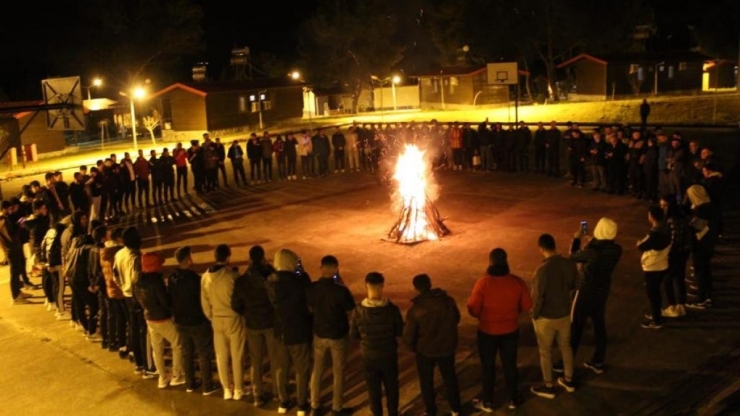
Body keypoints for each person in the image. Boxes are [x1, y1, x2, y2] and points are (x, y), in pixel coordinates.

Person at [562, 218, 622, 375]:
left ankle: (566, 362)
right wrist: (591, 239)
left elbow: (573, 256)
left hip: (585, 291)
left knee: (575, 326)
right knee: (599, 325)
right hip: (601, 291)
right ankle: (598, 360)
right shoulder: (616, 250)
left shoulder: (592, 250)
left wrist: (577, 238)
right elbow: (602, 249)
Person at [404, 274, 461, 416]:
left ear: (416, 288)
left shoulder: (416, 309)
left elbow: (409, 334)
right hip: (447, 348)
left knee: (427, 382)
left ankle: (431, 411)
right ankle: (456, 408)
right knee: (450, 378)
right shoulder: (448, 301)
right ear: (430, 284)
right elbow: (456, 318)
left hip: (425, 350)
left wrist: (412, 347)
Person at [306, 255, 356, 415]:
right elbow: (350, 310)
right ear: (336, 270)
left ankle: (314, 404)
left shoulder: (312, 288)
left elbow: (309, 308)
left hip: (319, 333)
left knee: (317, 369)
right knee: (338, 372)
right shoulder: (341, 291)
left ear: (321, 268)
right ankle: (337, 407)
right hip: (337, 335)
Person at [231, 245, 280, 407]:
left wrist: (246, 313)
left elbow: (236, 305)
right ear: (263, 258)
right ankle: (278, 392)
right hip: (270, 322)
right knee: (275, 358)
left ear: (250, 259)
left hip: (252, 324)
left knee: (255, 360)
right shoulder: (270, 276)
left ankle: (257, 395)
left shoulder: (242, 281)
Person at [530, 234, 578, 399]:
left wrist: (534, 315)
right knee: (566, 346)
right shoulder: (568, 264)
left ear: (541, 249)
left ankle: (548, 385)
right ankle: (569, 380)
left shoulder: (542, 271)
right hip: (564, 314)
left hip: (546, 317)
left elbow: (537, 297)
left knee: (545, 351)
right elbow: (575, 285)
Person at [266, 248, 313, 414]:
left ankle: (284, 401)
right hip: (299, 330)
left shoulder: (271, 283)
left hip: (280, 331)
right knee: (301, 369)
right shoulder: (300, 281)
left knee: (281, 368)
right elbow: (310, 300)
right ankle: (302, 404)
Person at [351, 272, 404, 416]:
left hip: (369, 356)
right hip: (388, 354)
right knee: (392, 387)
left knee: (373, 389)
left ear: (366, 286)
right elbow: (400, 331)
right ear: (381, 286)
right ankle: (393, 413)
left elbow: (354, 335)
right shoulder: (392, 310)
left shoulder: (359, 311)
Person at [168, 246, 219, 395]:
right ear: (189, 259)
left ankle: (190, 383)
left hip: (180, 322)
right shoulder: (195, 279)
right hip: (197, 321)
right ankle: (207, 385)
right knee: (203, 354)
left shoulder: (172, 278)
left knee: (187, 353)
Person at [200, 244, 246, 401]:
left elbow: (205, 303)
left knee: (221, 356)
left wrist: (211, 317)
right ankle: (239, 389)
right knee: (237, 355)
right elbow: (240, 298)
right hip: (232, 318)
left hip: (216, 319)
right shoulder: (231, 276)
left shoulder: (205, 277)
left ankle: (226, 388)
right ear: (228, 257)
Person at [135, 251, 185, 389]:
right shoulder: (156, 282)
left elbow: (138, 299)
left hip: (149, 318)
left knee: (157, 348)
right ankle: (177, 374)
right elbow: (164, 301)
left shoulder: (139, 281)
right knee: (177, 342)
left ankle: (162, 377)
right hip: (162, 318)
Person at [112, 226, 148, 373]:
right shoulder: (136, 256)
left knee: (133, 326)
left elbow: (115, 274)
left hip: (127, 294)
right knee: (142, 329)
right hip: (136, 295)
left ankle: (138, 361)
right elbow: (136, 278)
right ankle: (145, 362)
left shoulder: (119, 254)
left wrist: (122, 287)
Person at [636, 205, 672, 329]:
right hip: (663, 264)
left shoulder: (655, 234)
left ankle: (656, 320)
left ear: (651, 216)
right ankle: (656, 314)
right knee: (655, 292)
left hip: (653, 266)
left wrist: (640, 242)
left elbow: (641, 246)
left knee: (653, 294)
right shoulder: (666, 229)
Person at [685, 185, 718, 310]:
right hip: (708, 245)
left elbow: (698, 228)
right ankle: (707, 296)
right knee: (706, 271)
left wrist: (690, 219)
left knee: (701, 272)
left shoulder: (701, 211)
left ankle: (701, 299)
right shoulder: (710, 207)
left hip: (701, 246)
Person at [660, 196, 691, 318]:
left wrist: (665, 254)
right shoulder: (682, 217)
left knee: (667, 279)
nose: (662, 208)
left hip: (676, 254)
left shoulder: (672, 221)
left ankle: (672, 306)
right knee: (679, 278)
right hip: (684, 253)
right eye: (661, 206)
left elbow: (674, 241)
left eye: (665, 205)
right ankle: (681, 305)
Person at [101, 227, 127, 356]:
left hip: (110, 288)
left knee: (115, 317)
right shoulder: (119, 252)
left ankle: (115, 342)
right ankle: (126, 346)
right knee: (126, 319)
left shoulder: (104, 252)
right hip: (121, 290)